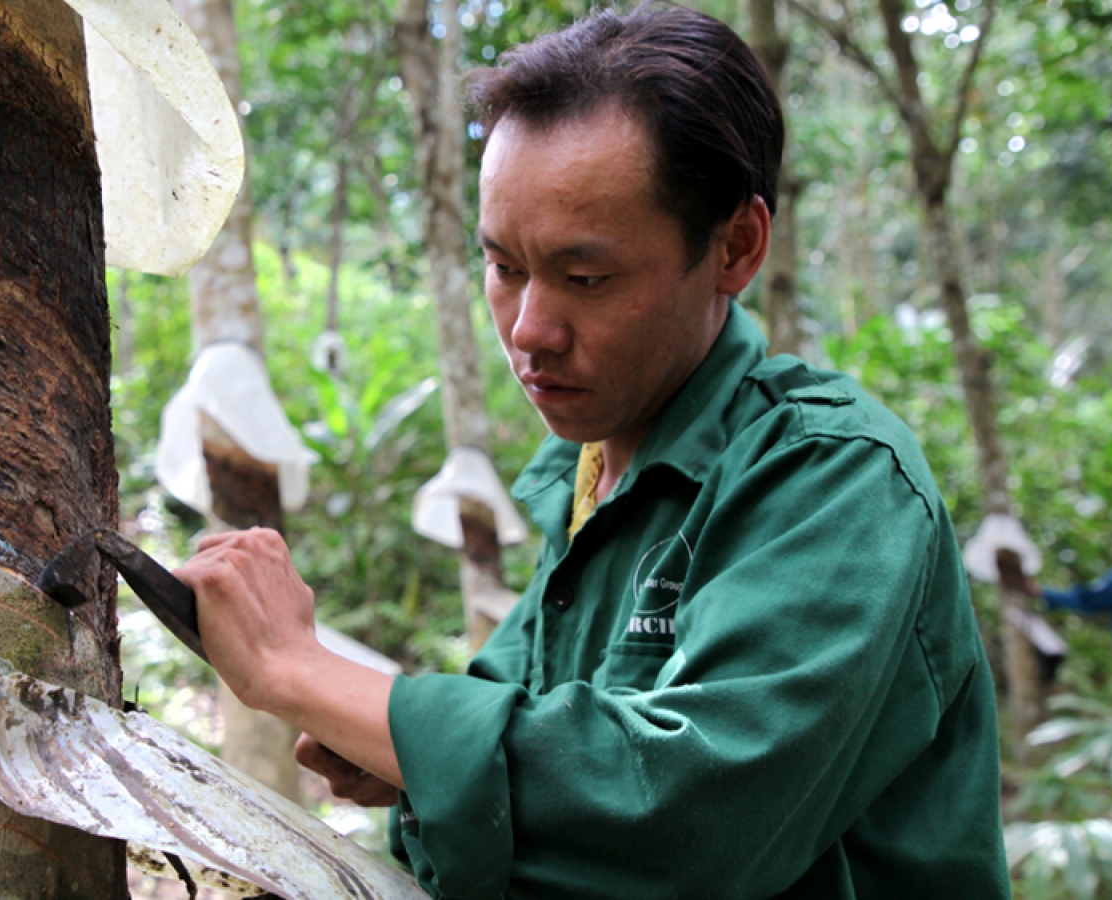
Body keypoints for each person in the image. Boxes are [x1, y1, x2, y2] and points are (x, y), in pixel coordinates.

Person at [174, 4, 1010, 897]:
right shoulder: (591, 479)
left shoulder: (836, 479)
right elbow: (524, 729)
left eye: (586, 278)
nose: (530, 330)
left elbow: (688, 819)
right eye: (503, 268)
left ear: (736, 247)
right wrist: (400, 760)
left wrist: (298, 671)